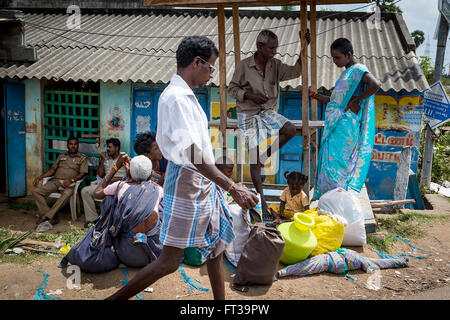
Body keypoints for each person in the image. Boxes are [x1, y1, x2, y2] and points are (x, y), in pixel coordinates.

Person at [106, 36, 258, 300]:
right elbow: (193, 154)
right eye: (210, 67)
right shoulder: (175, 98)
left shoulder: (187, 97)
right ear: (196, 62)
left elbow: (201, 151)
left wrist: (228, 183)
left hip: (204, 182)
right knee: (169, 261)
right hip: (187, 182)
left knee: (216, 248)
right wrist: (232, 186)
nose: (212, 73)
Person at [228, 29, 310, 214]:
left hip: (266, 112)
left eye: (276, 48)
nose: (274, 51)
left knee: (289, 129)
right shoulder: (244, 66)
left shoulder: (275, 65)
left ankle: (264, 157)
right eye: (271, 48)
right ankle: (261, 200)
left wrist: (304, 47)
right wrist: (249, 95)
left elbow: (297, 71)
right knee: (253, 158)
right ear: (260, 46)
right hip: (247, 113)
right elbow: (232, 89)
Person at [309, 38, 381, 200]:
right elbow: (335, 102)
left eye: (337, 57)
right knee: (330, 161)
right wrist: (314, 95)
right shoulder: (347, 74)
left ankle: (337, 197)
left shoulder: (358, 70)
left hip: (345, 125)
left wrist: (357, 100)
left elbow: (375, 85)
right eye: (333, 57)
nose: (334, 61)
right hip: (338, 124)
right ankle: (328, 197)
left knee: (339, 161)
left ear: (348, 55)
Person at [93, 153, 164, 268]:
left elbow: (96, 193)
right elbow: (144, 187)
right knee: (159, 207)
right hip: (152, 256)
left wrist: (115, 167)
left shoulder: (120, 186)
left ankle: (106, 238)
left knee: (111, 198)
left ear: (129, 173)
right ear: (151, 174)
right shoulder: (158, 189)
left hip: (125, 255)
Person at [32, 136, 88, 231]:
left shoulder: (82, 158)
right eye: (71, 144)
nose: (73, 146)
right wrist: (40, 177)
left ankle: (47, 216)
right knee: (36, 191)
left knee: (66, 194)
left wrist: (72, 180)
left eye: (75, 144)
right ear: (67, 146)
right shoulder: (61, 156)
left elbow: (82, 174)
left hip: (69, 184)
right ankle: (51, 215)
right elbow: (52, 170)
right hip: (56, 181)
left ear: (78, 145)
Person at [80, 138, 127, 228]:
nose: (107, 149)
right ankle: (93, 219)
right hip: (105, 184)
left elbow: (127, 177)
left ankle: (107, 222)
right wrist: (102, 160)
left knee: (109, 196)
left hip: (118, 186)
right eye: (107, 147)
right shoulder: (106, 158)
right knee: (85, 191)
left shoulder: (123, 159)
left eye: (110, 147)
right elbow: (100, 175)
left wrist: (112, 179)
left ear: (116, 148)